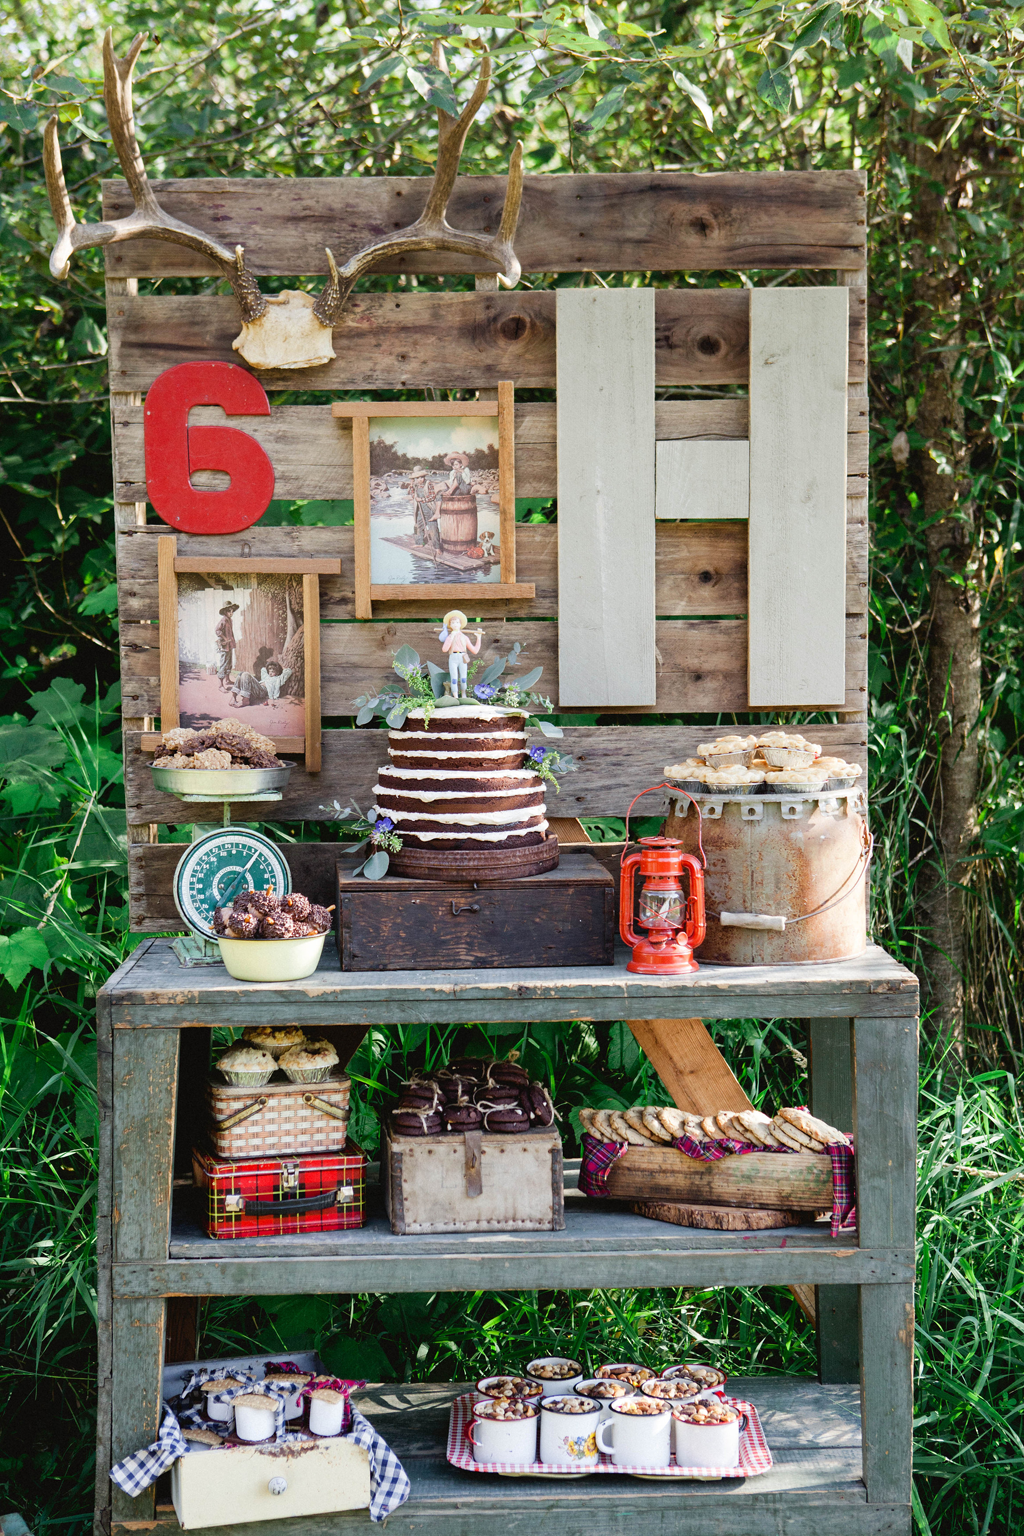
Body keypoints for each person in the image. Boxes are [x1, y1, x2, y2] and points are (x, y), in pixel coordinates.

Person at [439, 610, 482, 700]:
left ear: (460, 624)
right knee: (454, 678)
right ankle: (455, 696)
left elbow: (474, 650)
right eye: (453, 622)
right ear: (450, 625)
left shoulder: (464, 637)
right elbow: (444, 649)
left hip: (462, 658)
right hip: (453, 658)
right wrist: (451, 636)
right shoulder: (449, 637)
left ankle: (463, 694)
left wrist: (478, 638)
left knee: (463, 678)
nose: (455, 624)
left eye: (457, 622)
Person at [214, 602, 239, 693]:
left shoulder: (229, 620)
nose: (231, 613)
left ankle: (227, 680)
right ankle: (220, 685)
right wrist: (225, 638)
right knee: (223, 663)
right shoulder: (223, 620)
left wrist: (231, 640)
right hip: (225, 645)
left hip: (230, 645)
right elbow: (217, 630)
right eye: (229, 611)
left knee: (229, 663)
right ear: (225, 612)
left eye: (232, 611)